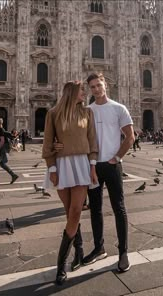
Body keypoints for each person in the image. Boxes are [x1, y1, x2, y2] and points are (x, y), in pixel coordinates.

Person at [42, 81, 98, 285]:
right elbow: (48, 143)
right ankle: (79, 250)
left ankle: (60, 265)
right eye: (82, 90)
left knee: (75, 212)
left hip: (82, 164)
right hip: (62, 165)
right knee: (69, 214)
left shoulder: (87, 113)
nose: (86, 93)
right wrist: (52, 169)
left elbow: (93, 141)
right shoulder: (53, 113)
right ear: (72, 92)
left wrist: (92, 166)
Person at [83, 73, 135, 272]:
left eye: (99, 85)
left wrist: (117, 158)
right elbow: (82, 139)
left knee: (118, 208)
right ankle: (99, 248)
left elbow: (130, 137)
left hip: (112, 166)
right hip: (93, 167)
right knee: (95, 209)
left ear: (105, 84)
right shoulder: (87, 111)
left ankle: (123, 252)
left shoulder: (118, 108)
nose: (96, 89)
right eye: (92, 87)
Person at [0, 118, 19, 186]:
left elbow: (2, 141)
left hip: (1, 148)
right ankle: (13, 175)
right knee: (2, 164)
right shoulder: (0, 130)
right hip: (2, 148)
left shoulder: (0, 130)